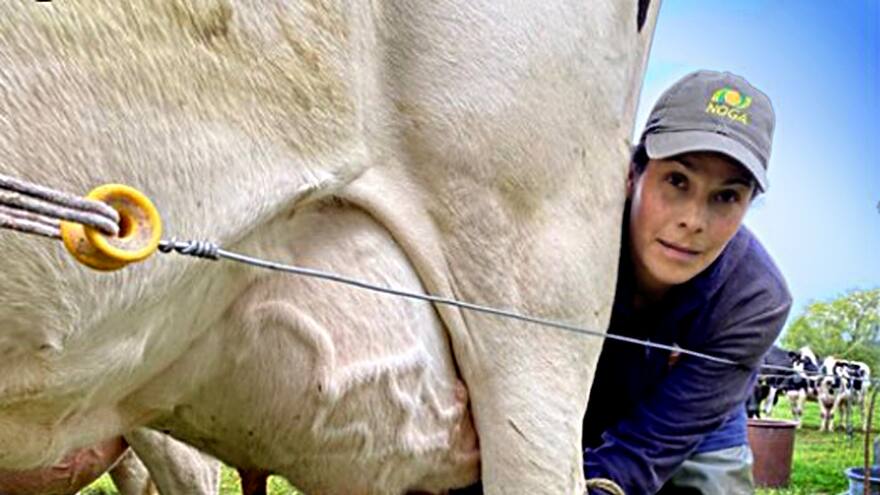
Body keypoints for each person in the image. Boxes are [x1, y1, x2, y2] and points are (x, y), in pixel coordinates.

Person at [582, 69, 791, 494]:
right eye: (677, 181)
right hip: (573, 395)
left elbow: (646, 449)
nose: (693, 221)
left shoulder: (755, 300)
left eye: (726, 196)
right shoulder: (570, 242)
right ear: (633, 174)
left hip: (687, 420)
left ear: (748, 203)